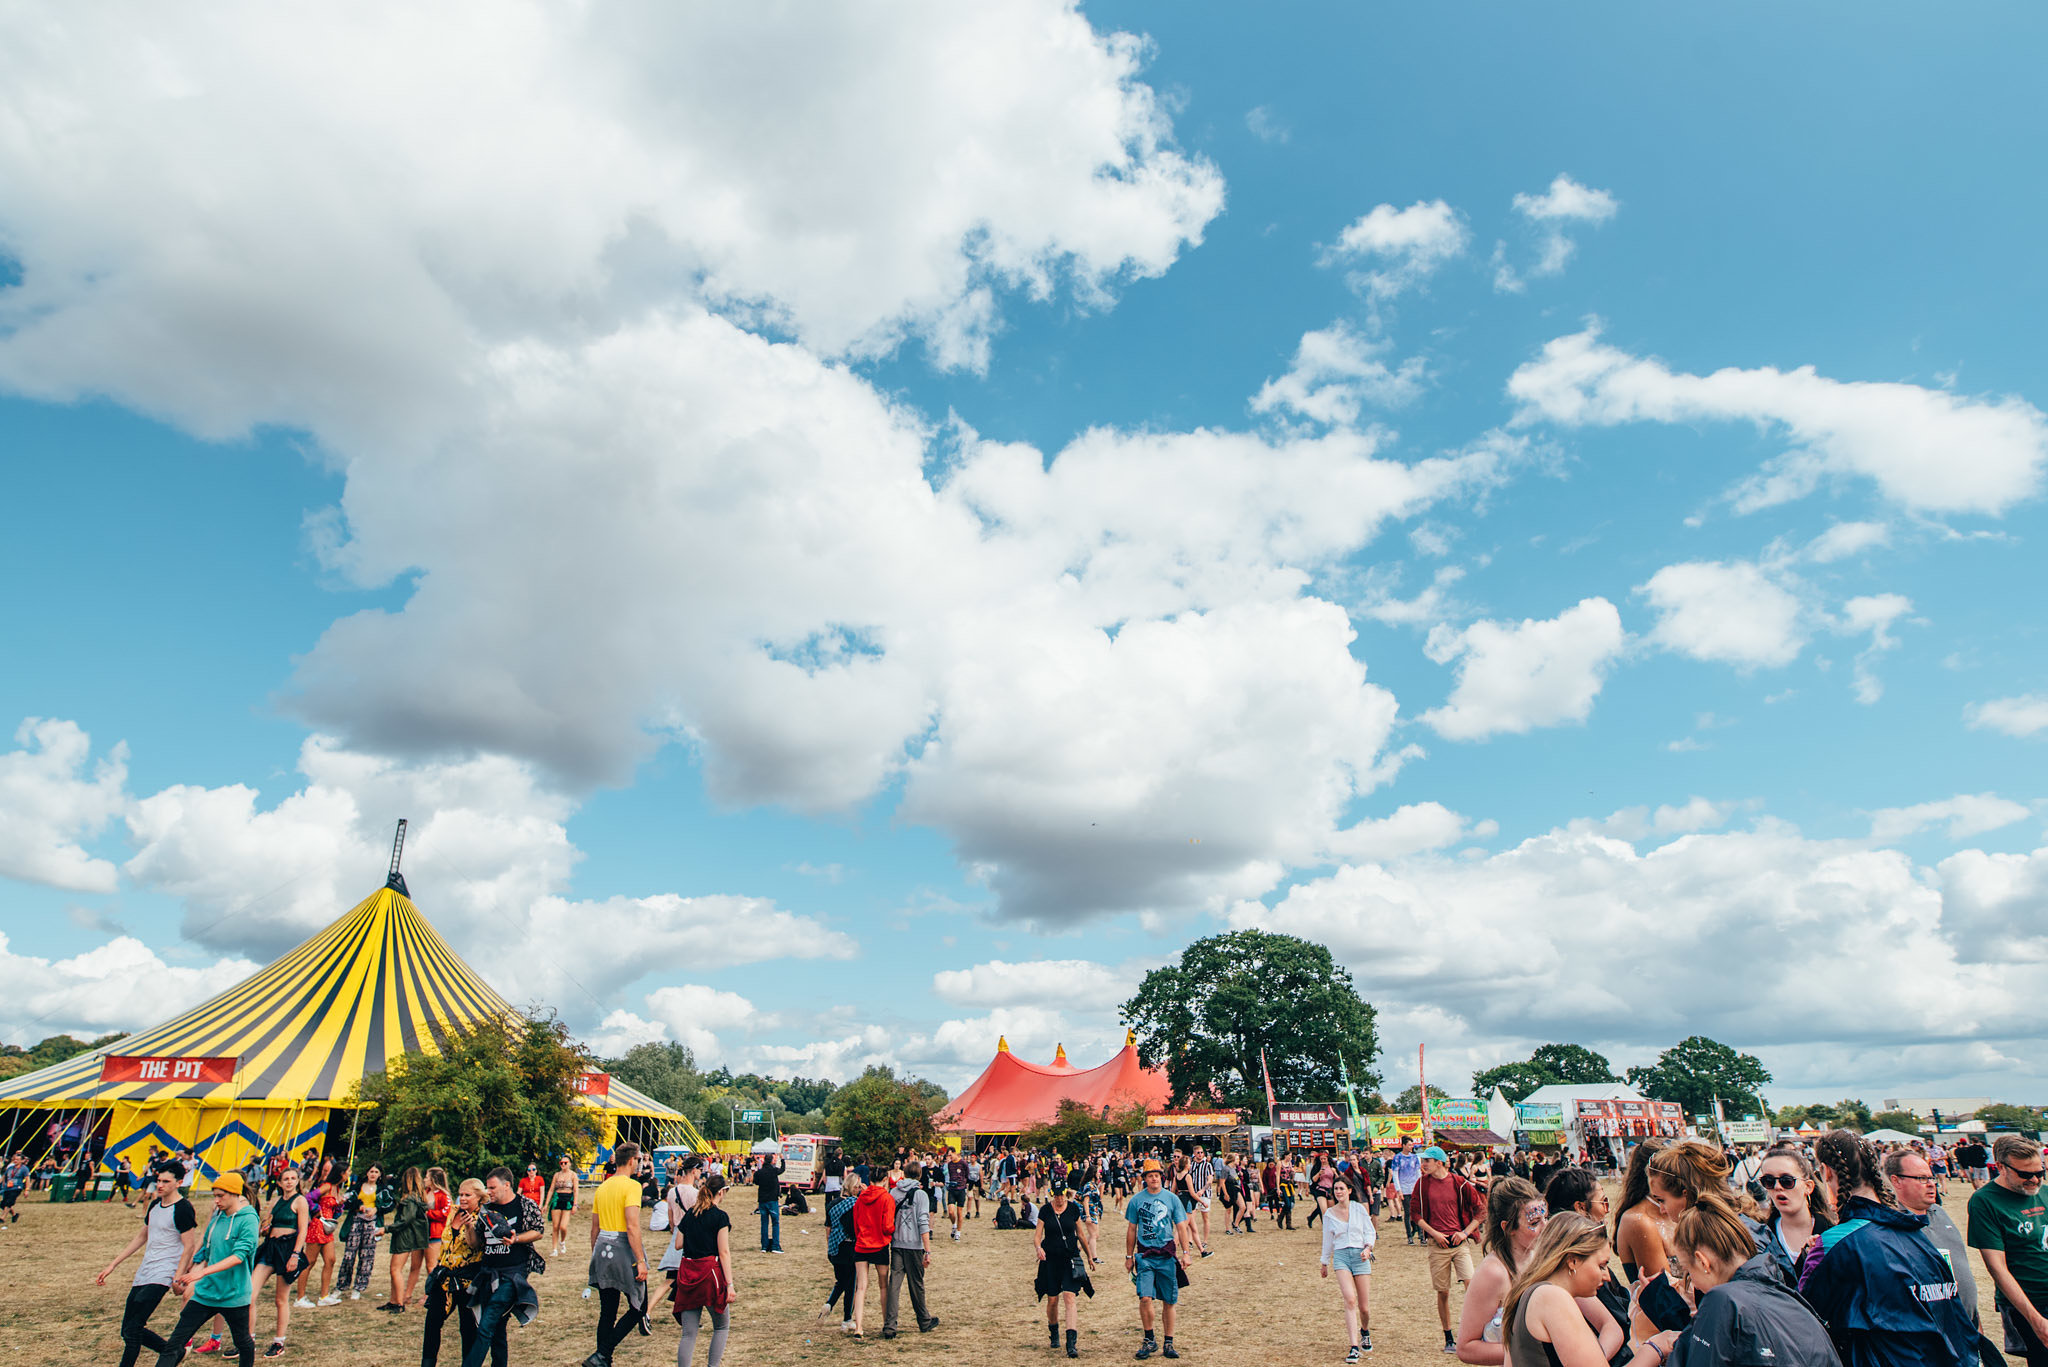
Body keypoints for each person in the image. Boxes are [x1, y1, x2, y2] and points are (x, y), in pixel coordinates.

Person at [1798, 1130, 1975, 1367]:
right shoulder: (1916, 1234)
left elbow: (1805, 1318)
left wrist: (1809, 1258)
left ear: (1826, 1171)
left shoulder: (1834, 1244)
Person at [1669, 1198, 1839, 1366]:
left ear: (1702, 1262)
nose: (1694, 1285)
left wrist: (1654, 1348)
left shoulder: (1722, 1300)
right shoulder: (1789, 1298)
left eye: (1688, 1273)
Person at [1500, 1212, 1670, 1367]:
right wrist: (1655, 1348)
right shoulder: (1552, 1298)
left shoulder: (1525, 1294)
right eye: (1601, 1265)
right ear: (1572, 1260)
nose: (1607, 1276)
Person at [97, 1159, 201, 1367]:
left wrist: (178, 1276)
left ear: (179, 1182)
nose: (160, 1185)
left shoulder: (183, 1208)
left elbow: (189, 1246)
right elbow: (141, 1237)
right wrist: (113, 1264)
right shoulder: (155, 1205)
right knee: (127, 1328)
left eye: (166, 1181)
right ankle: (173, 1352)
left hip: (163, 1275)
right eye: (158, 1180)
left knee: (134, 1328)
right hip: (145, 1271)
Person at [154, 1171, 262, 1367]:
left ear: (235, 1194)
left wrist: (202, 1272)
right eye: (215, 1196)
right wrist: (188, 1275)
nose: (217, 1200)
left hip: (234, 1294)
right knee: (174, 1343)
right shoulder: (217, 1218)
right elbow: (206, 1251)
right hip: (206, 1293)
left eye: (221, 1196)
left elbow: (238, 1256)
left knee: (243, 1342)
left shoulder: (248, 1219)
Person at [1967, 1133, 2048, 1364]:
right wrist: (2036, 1320)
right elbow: (1997, 1269)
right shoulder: (1984, 1201)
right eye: (2025, 1174)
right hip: (2030, 1302)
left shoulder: (2045, 1192)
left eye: (2039, 1172)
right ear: (2001, 1167)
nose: (2034, 1180)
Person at [1456, 1176, 1549, 1365]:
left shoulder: (1542, 1257)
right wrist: (1530, 1352)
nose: (1545, 1227)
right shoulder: (1493, 1273)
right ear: (1508, 1228)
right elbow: (1466, 1347)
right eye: (1534, 1222)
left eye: (1546, 1218)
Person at [1882, 1148, 1976, 1330]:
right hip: (1930, 1332)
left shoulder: (1939, 1212)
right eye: (1922, 1179)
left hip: (1965, 1325)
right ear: (1896, 1181)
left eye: (1931, 1178)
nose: (1932, 1184)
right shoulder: (1889, 1224)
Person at [461, 1166, 545, 1367]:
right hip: (489, 1274)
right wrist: (468, 1226)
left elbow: (539, 1231)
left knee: (487, 1323)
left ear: (507, 1185)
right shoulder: (487, 1210)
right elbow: (476, 1243)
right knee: (497, 1329)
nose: (488, 1192)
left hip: (513, 1274)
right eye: (487, 1188)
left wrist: (517, 1239)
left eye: (492, 1187)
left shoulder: (525, 1205)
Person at [1411, 1146, 1485, 1355]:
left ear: (1439, 1163)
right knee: (1443, 1292)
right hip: (1437, 1245)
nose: (1423, 1164)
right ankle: (1448, 1336)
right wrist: (1434, 1234)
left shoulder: (1459, 1183)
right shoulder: (1422, 1184)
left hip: (1459, 1244)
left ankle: (1475, 1331)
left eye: (1427, 1161)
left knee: (1471, 1285)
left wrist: (1465, 1232)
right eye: (1422, 1161)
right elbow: (1415, 1214)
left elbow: (1481, 1211)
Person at [588, 1140, 652, 1367]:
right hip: (623, 1249)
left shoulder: (603, 1186)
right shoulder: (632, 1186)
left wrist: (595, 1254)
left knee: (608, 1311)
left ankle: (603, 1359)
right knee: (639, 1307)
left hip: (602, 1248)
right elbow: (632, 1226)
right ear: (633, 1160)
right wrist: (640, 1261)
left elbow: (594, 1227)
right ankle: (603, 1354)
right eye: (640, 1160)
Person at [1126, 1159, 1193, 1361]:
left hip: (1166, 1255)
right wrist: (1129, 1257)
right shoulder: (1136, 1200)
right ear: (1144, 1179)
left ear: (1161, 1177)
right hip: (1145, 1256)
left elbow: (1181, 1227)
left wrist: (1186, 1253)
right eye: (1149, 1176)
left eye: (1156, 1175)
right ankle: (1149, 1339)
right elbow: (1131, 1229)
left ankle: (1168, 1342)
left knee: (1168, 1300)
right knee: (1145, 1297)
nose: (1153, 1179)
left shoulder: (1171, 1199)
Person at [671, 1174, 737, 1367]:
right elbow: (724, 1252)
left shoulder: (691, 1214)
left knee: (689, 1333)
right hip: (710, 1274)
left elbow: (678, 1244)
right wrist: (730, 1285)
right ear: (721, 1192)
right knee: (722, 1326)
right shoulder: (720, 1217)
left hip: (688, 1273)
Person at [422, 1178, 489, 1367]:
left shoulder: (483, 1217)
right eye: (461, 1194)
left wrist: (469, 1226)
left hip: (467, 1281)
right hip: (444, 1277)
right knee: (432, 1323)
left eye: (468, 1195)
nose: (463, 1198)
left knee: (467, 1329)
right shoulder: (453, 1212)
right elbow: (445, 1244)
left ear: (479, 1197)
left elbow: (475, 1245)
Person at [249, 1166, 311, 1357]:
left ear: (298, 1181)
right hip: (270, 1247)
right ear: (280, 1182)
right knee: (249, 1294)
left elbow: (303, 1230)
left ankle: (279, 1341)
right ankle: (247, 1340)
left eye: (293, 1178)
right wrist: (264, 1227)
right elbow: (266, 1225)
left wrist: (295, 1254)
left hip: (287, 1249)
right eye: (286, 1179)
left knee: (280, 1298)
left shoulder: (300, 1201)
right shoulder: (275, 1200)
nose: (290, 1182)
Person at [1320, 1174, 1378, 1361]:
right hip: (1342, 1257)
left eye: (1342, 1189)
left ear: (1349, 1191)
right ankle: (1354, 1346)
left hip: (1360, 1257)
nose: (1338, 1192)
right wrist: (1324, 1262)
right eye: (1336, 1189)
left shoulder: (1359, 1209)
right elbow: (1327, 1240)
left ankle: (1365, 1331)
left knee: (1364, 1307)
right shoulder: (1329, 1214)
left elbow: (1370, 1231)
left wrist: (1368, 1248)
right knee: (1350, 1300)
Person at [1757, 1145, 1833, 1280]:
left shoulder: (1832, 1232)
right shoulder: (1760, 1238)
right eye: (1768, 1181)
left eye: (1787, 1181)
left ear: (1808, 1186)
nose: (1777, 1187)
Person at [884, 1160, 939, 1338]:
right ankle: (924, 1320)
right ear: (920, 1175)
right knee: (916, 1284)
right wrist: (927, 1250)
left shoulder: (894, 1192)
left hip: (897, 1243)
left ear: (904, 1174)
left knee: (894, 1284)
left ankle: (890, 1325)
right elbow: (923, 1222)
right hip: (914, 1245)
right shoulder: (921, 1195)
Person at [849, 1165, 896, 1338]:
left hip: (862, 1244)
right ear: (885, 1180)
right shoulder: (887, 1198)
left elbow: (855, 1222)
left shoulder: (861, 1198)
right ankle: (886, 1323)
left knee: (861, 1287)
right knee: (883, 1286)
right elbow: (887, 1226)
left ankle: (859, 1327)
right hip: (880, 1245)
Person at [336, 1162, 385, 1302]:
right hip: (356, 1221)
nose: (373, 1174)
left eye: (376, 1172)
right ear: (367, 1173)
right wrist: (358, 1206)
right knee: (349, 1254)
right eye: (371, 1171)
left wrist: (377, 1209)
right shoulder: (358, 1186)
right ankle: (341, 1285)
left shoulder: (382, 1189)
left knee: (366, 1256)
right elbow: (347, 1200)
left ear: (380, 1174)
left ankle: (359, 1287)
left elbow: (390, 1203)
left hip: (372, 1223)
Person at [386, 1167, 431, 1312]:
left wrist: (386, 1229)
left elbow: (406, 1220)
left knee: (395, 1269)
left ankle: (399, 1303)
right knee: (394, 1269)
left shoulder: (410, 1199)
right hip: (407, 1236)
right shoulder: (418, 1198)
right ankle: (393, 1301)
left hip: (405, 1237)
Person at [824, 1172, 861, 1329]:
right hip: (850, 1246)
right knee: (851, 1284)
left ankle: (829, 1303)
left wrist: (830, 1246)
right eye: (858, 1186)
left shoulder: (832, 1204)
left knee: (841, 1280)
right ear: (853, 1187)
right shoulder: (856, 1204)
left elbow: (828, 1228)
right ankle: (847, 1318)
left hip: (835, 1247)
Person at [301, 1176, 340, 1307]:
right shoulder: (327, 1186)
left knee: (330, 1260)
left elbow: (336, 1210)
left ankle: (324, 1296)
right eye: (348, 1171)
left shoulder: (337, 1189)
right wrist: (316, 1210)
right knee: (309, 1261)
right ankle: (300, 1297)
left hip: (328, 1227)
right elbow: (309, 1197)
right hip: (318, 1225)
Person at [416, 1168, 453, 1304]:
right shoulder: (425, 1193)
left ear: (433, 1180)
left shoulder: (444, 1195)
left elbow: (445, 1213)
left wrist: (428, 1214)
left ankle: (432, 1294)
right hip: (423, 1232)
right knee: (423, 1265)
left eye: (426, 1177)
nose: (424, 1179)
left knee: (432, 1265)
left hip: (436, 1233)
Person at [1391, 1143, 1423, 1245]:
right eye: (1409, 1145)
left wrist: (1420, 1185)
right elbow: (1395, 1174)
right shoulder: (1398, 1158)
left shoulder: (1415, 1157)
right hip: (1405, 1189)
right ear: (1404, 1145)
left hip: (1415, 1187)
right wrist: (1398, 1189)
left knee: (1419, 1211)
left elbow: (1418, 1172)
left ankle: (1422, 1235)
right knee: (1408, 1213)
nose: (1411, 1147)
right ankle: (1409, 1236)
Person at [753, 1150, 784, 1254]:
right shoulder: (774, 1171)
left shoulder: (759, 1172)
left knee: (764, 1223)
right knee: (775, 1223)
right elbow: (783, 1169)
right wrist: (783, 1159)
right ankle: (775, 1246)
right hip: (772, 1200)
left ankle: (764, 1246)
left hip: (762, 1200)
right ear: (772, 1161)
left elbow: (756, 1181)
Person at [549, 1156, 579, 1255]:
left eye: (565, 1163)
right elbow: (551, 1189)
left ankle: (562, 1241)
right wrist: (546, 1204)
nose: (563, 1165)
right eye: (561, 1163)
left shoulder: (573, 1175)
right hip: (557, 1199)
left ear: (570, 1164)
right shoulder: (556, 1175)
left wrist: (575, 1204)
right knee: (555, 1226)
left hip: (568, 1199)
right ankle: (554, 1249)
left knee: (563, 1227)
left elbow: (575, 1190)